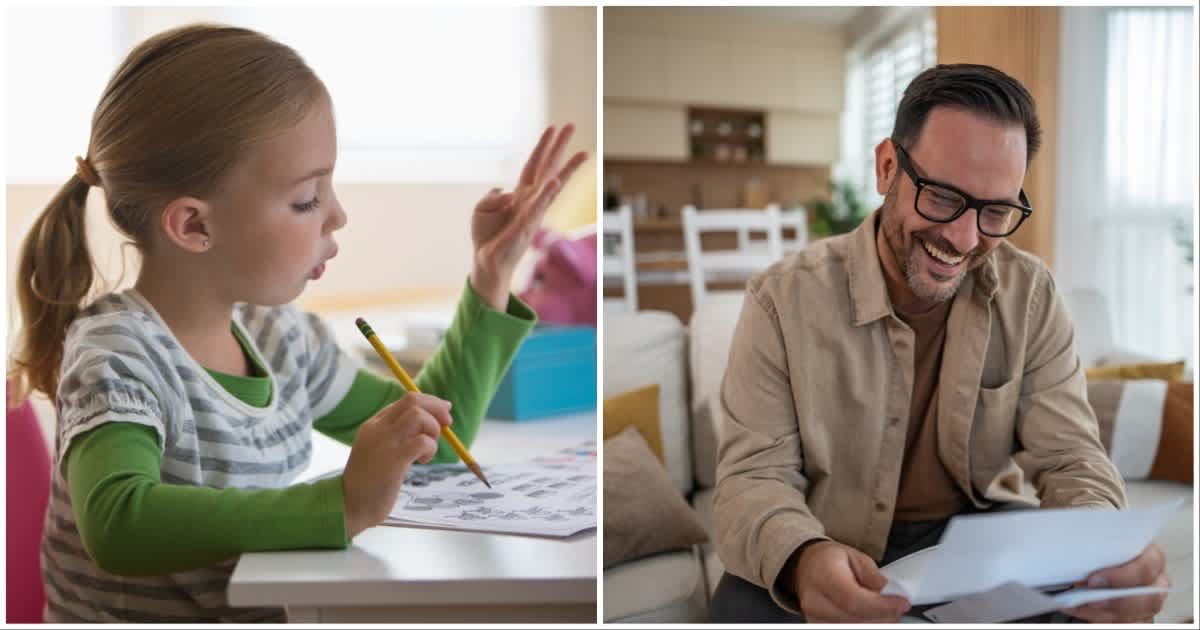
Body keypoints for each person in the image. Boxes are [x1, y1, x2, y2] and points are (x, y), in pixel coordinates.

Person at [9, 24, 586, 622]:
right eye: (307, 198)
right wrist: (339, 502)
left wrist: (491, 274)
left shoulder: (283, 339)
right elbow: (119, 524)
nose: (337, 215)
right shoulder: (117, 353)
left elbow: (437, 444)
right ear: (193, 226)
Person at [709, 63, 1169, 624]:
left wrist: (1102, 549)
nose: (964, 237)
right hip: (822, 536)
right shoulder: (780, 301)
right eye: (944, 197)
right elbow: (753, 479)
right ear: (887, 168)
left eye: (996, 210)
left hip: (967, 544)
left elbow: (1072, 459)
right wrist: (803, 559)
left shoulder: (1030, 296)